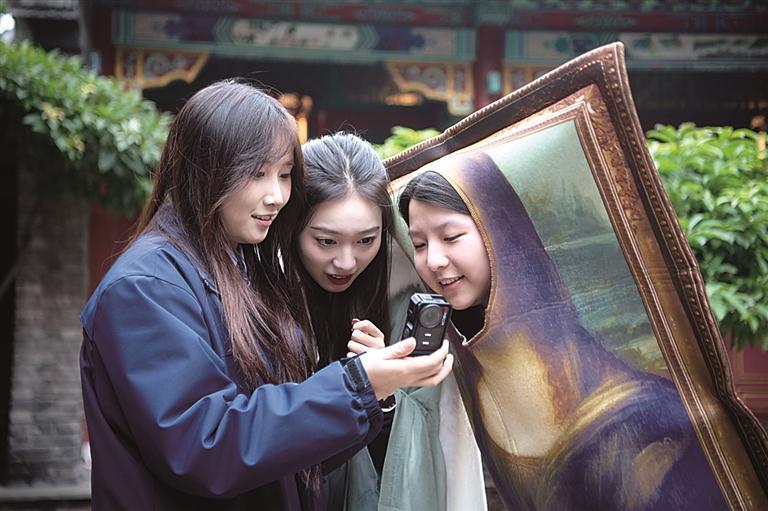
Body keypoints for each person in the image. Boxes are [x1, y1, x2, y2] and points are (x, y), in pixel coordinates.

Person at [79, 80, 453, 510]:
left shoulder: (238, 268)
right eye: (256, 173)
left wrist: (373, 395)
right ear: (205, 168)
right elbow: (206, 448)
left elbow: (285, 459)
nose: (276, 196)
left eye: (285, 174)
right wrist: (355, 386)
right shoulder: (145, 288)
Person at [397, 152, 728, 510]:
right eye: (419, 244)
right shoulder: (451, 360)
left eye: (450, 237)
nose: (433, 261)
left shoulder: (638, 417)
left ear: (498, 234)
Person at [292, 133, 394, 509]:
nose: (347, 263)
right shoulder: (256, 298)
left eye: (366, 241)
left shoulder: (396, 290)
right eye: (326, 241)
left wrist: (384, 388)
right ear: (291, 226)